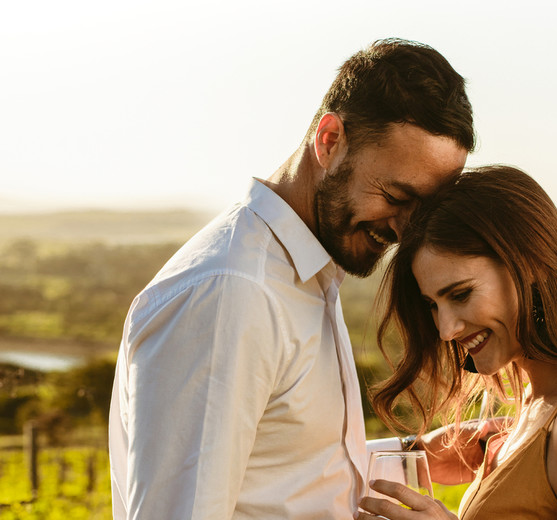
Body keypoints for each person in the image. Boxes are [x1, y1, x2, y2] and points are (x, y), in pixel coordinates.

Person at [108, 38, 478, 519]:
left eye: (421, 210)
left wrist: (414, 453)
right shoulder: (232, 292)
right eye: (395, 196)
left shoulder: (305, 273)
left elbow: (275, 470)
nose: (405, 230)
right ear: (330, 140)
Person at [357, 165, 557, 519]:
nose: (446, 330)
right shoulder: (542, 402)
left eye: (461, 294)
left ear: (532, 263)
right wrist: (413, 454)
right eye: (432, 304)